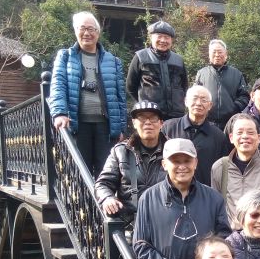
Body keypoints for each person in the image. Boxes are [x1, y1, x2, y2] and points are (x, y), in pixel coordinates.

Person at [133, 138, 231, 259]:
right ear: (164, 164)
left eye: (187, 160)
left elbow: (224, 240)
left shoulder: (214, 198)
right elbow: (141, 246)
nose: (182, 166)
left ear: (196, 163)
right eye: (175, 161)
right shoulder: (148, 198)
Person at [48, 11, 127, 176]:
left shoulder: (113, 61)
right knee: (79, 172)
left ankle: (102, 195)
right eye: (82, 28)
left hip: (105, 127)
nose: (87, 33)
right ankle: (80, 196)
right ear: (75, 30)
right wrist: (60, 113)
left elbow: (120, 97)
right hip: (77, 124)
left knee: (107, 172)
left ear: (98, 33)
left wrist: (121, 128)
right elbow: (58, 86)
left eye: (91, 29)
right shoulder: (65, 57)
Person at [211, 114, 260, 229]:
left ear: (259, 138)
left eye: (250, 133)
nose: (245, 136)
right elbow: (215, 206)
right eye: (239, 132)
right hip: (230, 235)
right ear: (231, 138)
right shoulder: (220, 167)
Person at [94, 101, 166, 220]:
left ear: (161, 123)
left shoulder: (173, 151)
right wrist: (107, 198)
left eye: (153, 118)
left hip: (165, 218)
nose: (148, 122)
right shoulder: (120, 151)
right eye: (142, 118)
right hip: (130, 220)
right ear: (134, 123)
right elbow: (103, 183)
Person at [162, 85, 228, 186]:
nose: (198, 103)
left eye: (203, 100)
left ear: (210, 105)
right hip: (171, 189)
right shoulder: (168, 128)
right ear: (186, 101)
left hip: (205, 191)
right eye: (194, 98)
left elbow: (222, 171)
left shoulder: (219, 136)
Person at [126, 20, 188, 119]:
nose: (163, 40)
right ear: (151, 37)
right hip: (150, 114)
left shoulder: (178, 60)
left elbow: (184, 86)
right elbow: (130, 86)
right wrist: (144, 103)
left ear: (171, 40)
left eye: (167, 37)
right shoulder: (141, 57)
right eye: (159, 36)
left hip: (176, 115)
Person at [194, 39, 250, 130]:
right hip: (206, 122)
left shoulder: (236, 74)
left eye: (220, 52)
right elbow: (195, 96)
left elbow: (244, 96)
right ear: (209, 55)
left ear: (226, 54)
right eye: (214, 52)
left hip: (230, 123)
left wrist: (233, 108)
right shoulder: (202, 73)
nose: (217, 55)